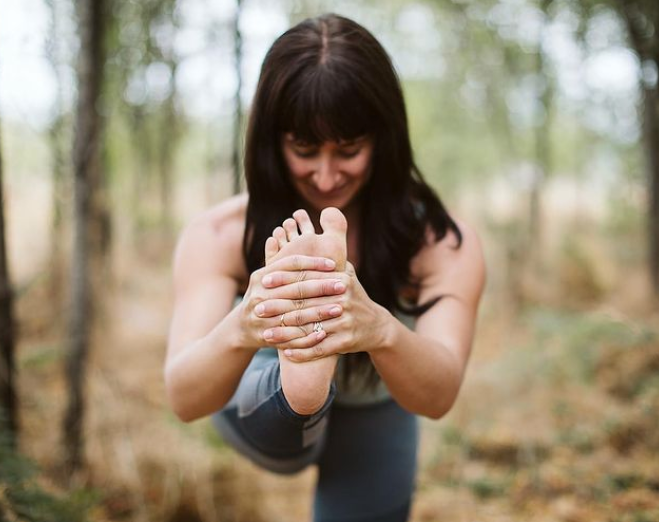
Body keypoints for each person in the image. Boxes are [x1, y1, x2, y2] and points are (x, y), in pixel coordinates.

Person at [165, 13, 485, 522]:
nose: (327, 174)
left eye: (350, 150)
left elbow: (440, 392)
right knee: (282, 387)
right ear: (273, 142)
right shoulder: (220, 234)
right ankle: (299, 386)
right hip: (253, 390)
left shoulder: (440, 243)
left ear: (384, 139)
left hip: (377, 403)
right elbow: (184, 397)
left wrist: (378, 328)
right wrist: (245, 326)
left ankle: (306, 372)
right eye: (304, 149)